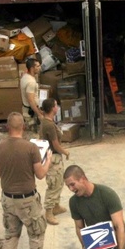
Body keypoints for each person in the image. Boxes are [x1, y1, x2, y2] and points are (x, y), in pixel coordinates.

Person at [0, 112, 50, 249]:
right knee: (36, 232)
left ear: (7, 127)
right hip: (27, 199)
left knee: (11, 233)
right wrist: (47, 160)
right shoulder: (30, 148)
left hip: (8, 198)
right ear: (23, 127)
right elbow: (40, 175)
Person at [39, 97, 69, 226]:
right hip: (53, 157)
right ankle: (49, 212)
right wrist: (65, 152)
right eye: (56, 105)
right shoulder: (49, 125)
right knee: (54, 184)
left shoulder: (47, 122)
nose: (57, 107)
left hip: (53, 157)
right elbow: (56, 145)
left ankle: (56, 206)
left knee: (59, 182)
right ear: (52, 108)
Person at [20, 56, 43, 134]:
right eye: (37, 66)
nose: (39, 67)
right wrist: (39, 114)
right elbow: (31, 100)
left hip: (27, 110)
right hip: (31, 113)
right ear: (32, 68)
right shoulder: (31, 83)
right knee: (34, 135)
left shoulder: (25, 76)